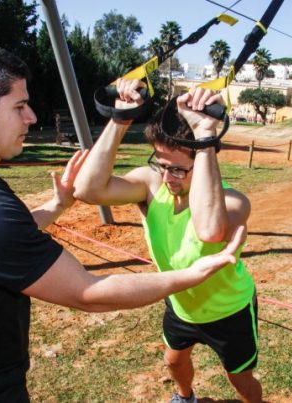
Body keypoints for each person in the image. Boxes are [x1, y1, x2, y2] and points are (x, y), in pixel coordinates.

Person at [0, 42, 245, 403]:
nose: (31, 117)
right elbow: (89, 293)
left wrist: (57, 204)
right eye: (19, 106)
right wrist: (189, 276)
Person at [74, 79, 261, 403]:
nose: (167, 178)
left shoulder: (233, 202)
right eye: (160, 165)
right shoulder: (152, 186)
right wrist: (120, 118)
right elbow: (88, 190)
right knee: (174, 361)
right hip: (180, 305)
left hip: (229, 310)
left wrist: (204, 134)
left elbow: (209, 230)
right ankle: (185, 398)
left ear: (206, 156)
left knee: (240, 379)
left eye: (178, 170)